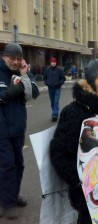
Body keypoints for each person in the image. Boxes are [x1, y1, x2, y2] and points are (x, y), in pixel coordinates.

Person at [50, 58, 98, 224]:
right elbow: (59, 154)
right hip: (89, 194)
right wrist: (81, 181)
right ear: (96, 82)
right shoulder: (75, 112)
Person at [0, 43, 38, 220]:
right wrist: (8, 93)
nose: (14, 62)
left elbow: (34, 92)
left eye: (18, 58)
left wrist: (25, 75)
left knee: (19, 165)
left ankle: (12, 195)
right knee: (6, 166)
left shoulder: (19, 73)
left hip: (17, 128)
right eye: (11, 58)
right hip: (1, 130)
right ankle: (6, 204)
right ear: (4, 56)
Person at [43, 57, 66, 122]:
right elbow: (44, 78)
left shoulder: (59, 70)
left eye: (54, 62)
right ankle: (54, 112)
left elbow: (63, 78)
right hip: (50, 88)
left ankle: (55, 115)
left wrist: (59, 83)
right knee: (52, 102)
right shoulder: (47, 70)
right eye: (52, 62)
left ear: (56, 62)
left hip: (57, 88)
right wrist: (47, 83)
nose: (53, 63)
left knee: (56, 101)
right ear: (50, 62)